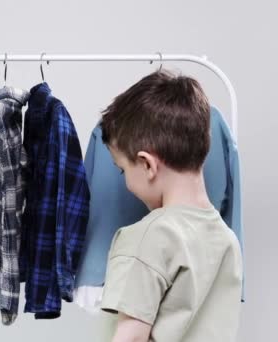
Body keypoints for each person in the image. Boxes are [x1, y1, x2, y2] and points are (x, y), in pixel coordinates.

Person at [98, 70, 243, 342]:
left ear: (147, 164)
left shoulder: (146, 237)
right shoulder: (227, 241)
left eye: (122, 170)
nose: (126, 182)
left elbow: (131, 338)